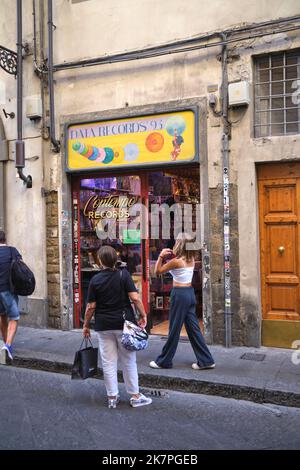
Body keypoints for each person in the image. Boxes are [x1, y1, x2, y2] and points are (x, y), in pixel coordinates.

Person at [82, 245, 152, 409]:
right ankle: (135, 396)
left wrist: (85, 325)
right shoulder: (123, 275)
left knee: (108, 362)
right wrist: (143, 315)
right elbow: (135, 298)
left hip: (103, 326)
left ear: (100, 261)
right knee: (128, 361)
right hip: (124, 325)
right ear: (115, 259)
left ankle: (112, 397)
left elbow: (91, 306)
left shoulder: (95, 280)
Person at [149, 234, 215, 370]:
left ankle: (164, 361)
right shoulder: (191, 259)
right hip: (189, 294)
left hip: (179, 295)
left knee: (174, 328)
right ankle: (206, 360)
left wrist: (161, 256)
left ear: (179, 244)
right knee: (194, 329)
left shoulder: (176, 262)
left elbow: (157, 271)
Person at [0, 230, 22, 362]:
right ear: (5, 239)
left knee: (2, 316)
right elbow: (20, 267)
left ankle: (6, 344)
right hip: (8, 290)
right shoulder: (12, 251)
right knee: (14, 318)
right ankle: (7, 345)